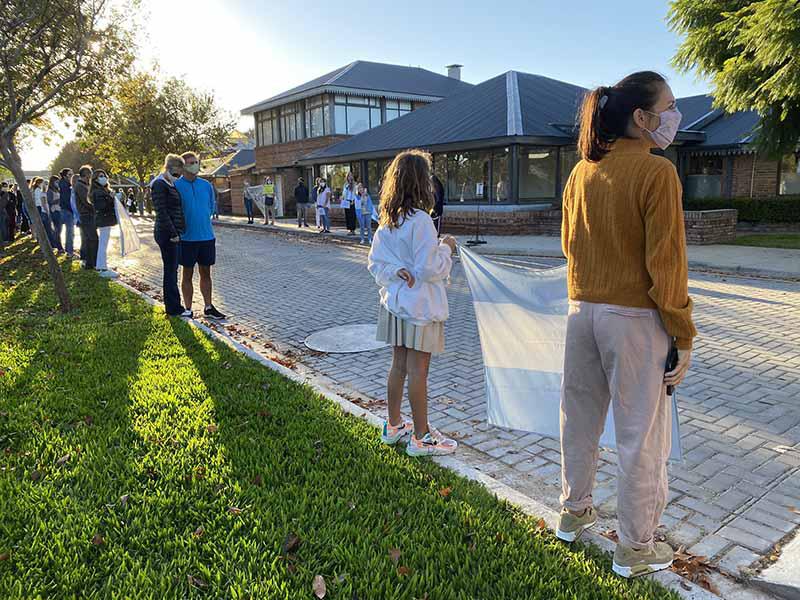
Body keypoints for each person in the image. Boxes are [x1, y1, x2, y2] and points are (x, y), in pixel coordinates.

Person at [557, 72, 696, 578]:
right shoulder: (657, 174)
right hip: (635, 320)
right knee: (640, 435)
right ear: (642, 117)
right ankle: (635, 547)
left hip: (581, 312)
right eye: (669, 106)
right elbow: (667, 264)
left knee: (580, 419)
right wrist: (682, 332)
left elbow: (570, 247)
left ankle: (573, 512)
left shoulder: (580, 174)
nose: (674, 116)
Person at [367, 149, 458, 457]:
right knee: (419, 369)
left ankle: (393, 426)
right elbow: (430, 269)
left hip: (394, 305)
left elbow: (375, 264)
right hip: (419, 308)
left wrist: (395, 271)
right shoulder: (421, 221)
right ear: (422, 182)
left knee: (399, 366)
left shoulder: (387, 222)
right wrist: (446, 249)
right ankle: (422, 436)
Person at [174, 151, 226, 320]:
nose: (195, 165)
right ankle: (188, 309)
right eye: (191, 162)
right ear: (183, 166)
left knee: (206, 273)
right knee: (187, 274)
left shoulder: (206, 185)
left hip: (206, 237)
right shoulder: (176, 186)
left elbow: (211, 207)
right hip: (186, 238)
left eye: (196, 162)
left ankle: (208, 307)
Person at [152, 154, 190, 317]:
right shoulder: (160, 184)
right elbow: (162, 212)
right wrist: (173, 233)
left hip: (173, 233)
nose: (178, 177)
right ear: (168, 169)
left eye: (180, 174)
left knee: (172, 270)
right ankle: (174, 308)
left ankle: (174, 306)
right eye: (176, 174)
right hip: (167, 234)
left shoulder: (169, 183)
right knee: (170, 271)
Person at [91, 169, 119, 278]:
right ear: (96, 179)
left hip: (104, 219)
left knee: (103, 244)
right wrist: (110, 198)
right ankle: (103, 268)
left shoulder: (101, 190)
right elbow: (101, 206)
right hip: (104, 219)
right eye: (101, 176)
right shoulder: (98, 191)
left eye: (104, 175)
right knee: (103, 244)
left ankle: (100, 266)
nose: (104, 178)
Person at [74, 166, 98, 269]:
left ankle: (90, 263)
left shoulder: (83, 185)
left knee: (89, 240)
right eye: (90, 174)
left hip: (87, 215)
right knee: (93, 239)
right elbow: (87, 202)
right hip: (86, 215)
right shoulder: (80, 186)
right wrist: (97, 209)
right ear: (86, 174)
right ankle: (93, 263)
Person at [30, 177, 60, 250]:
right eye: (45, 184)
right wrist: (48, 212)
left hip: (45, 211)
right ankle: (51, 244)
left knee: (49, 229)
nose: (46, 185)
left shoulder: (43, 192)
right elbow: (43, 204)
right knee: (48, 229)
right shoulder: (41, 193)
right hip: (45, 212)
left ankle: (53, 244)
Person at [57, 168, 75, 256]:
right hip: (67, 210)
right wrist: (73, 210)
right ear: (64, 176)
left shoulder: (63, 184)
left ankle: (65, 249)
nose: (72, 176)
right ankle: (69, 251)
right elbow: (67, 200)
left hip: (64, 209)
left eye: (72, 174)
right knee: (70, 232)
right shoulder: (65, 186)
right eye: (69, 175)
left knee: (64, 231)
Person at [46, 175, 64, 253]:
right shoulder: (49, 191)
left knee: (59, 230)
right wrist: (58, 200)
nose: (57, 183)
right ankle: (58, 246)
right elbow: (49, 202)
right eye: (56, 181)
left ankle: (56, 244)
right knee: (57, 230)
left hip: (59, 210)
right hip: (54, 211)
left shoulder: (58, 189)